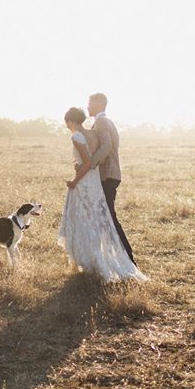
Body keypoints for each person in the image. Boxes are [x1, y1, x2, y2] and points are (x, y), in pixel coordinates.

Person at [57, 106, 148, 283]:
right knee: (96, 220)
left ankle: (92, 262)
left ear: (71, 121)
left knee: (83, 220)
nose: (67, 126)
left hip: (84, 182)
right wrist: (82, 164)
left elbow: (88, 161)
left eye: (67, 122)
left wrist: (74, 181)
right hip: (95, 181)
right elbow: (94, 158)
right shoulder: (93, 134)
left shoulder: (76, 136)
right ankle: (97, 259)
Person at [87, 92, 136, 265]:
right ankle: (107, 258)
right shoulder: (106, 121)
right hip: (110, 174)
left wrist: (90, 164)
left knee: (109, 218)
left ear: (99, 104)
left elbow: (106, 146)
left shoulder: (101, 122)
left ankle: (128, 259)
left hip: (107, 174)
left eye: (90, 103)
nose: (87, 106)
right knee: (104, 217)